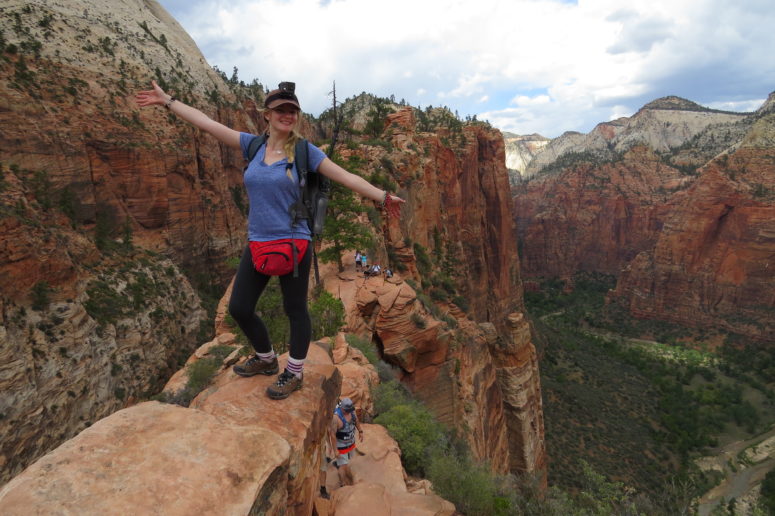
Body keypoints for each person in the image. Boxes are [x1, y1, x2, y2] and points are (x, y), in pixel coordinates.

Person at [135, 80, 404, 399]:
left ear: (297, 116)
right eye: (280, 110)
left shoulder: (306, 152)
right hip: (259, 241)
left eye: (292, 110)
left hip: (294, 242)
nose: (287, 115)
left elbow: (346, 176)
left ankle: (294, 372)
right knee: (240, 307)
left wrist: (383, 197)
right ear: (268, 114)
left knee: (296, 310)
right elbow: (206, 123)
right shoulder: (252, 145)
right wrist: (169, 101)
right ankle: (265, 359)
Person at [329, 397, 363, 487]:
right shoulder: (335, 418)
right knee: (343, 466)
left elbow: (356, 421)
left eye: (350, 410)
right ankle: (343, 483)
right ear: (342, 408)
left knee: (350, 459)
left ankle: (340, 463)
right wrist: (335, 450)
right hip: (341, 445)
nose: (349, 412)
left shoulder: (352, 411)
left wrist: (360, 431)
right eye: (347, 410)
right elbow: (332, 434)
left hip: (351, 442)